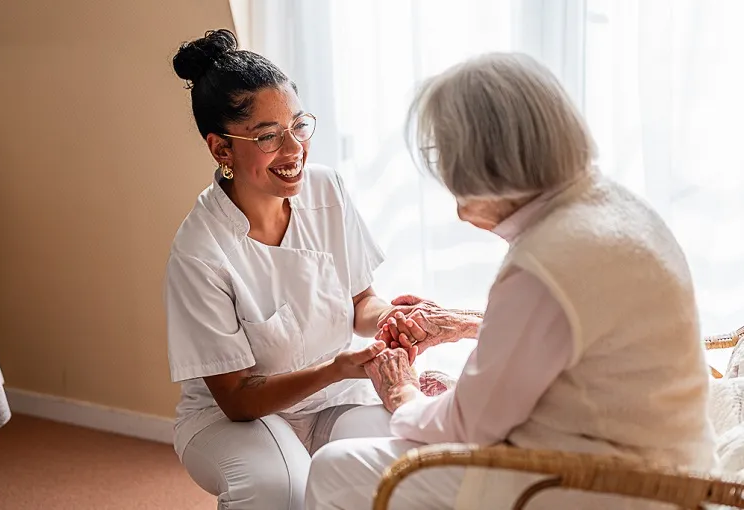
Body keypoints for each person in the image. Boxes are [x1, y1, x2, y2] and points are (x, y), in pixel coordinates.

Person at [306, 52, 718, 509]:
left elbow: (469, 425)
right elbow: (578, 332)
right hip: (674, 467)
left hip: (601, 485)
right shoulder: (612, 208)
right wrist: (464, 323)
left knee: (333, 466)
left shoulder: (546, 260)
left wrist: (402, 391)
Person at [163, 29, 466, 510]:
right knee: (279, 487)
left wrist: (392, 318)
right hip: (235, 420)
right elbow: (238, 398)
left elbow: (360, 302)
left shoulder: (326, 190)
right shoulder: (201, 251)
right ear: (221, 149)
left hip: (333, 398)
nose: (294, 149)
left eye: (298, 125)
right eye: (267, 136)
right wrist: (337, 366)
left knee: (406, 460)